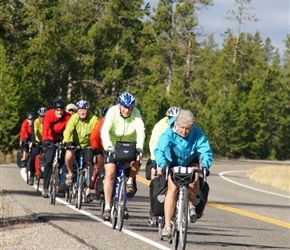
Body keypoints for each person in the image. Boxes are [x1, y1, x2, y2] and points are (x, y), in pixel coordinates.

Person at [154, 109, 213, 238]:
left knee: (195, 176)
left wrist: (206, 165)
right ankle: (168, 226)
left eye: (188, 129)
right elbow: (160, 149)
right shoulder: (169, 132)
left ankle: (191, 205)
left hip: (190, 160)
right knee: (173, 188)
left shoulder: (197, 132)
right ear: (177, 124)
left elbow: (205, 149)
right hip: (173, 161)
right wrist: (163, 165)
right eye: (182, 128)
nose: (184, 132)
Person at [100, 92, 145, 220]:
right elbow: (105, 131)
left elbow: (141, 131)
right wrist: (108, 146)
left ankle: (130, 181)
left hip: (129, 145)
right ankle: (107, 207)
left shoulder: (136, 113)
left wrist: (139, 148)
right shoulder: (112, 112)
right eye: (124, 107)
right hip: (112, 145)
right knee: (110, 174)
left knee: (137, 158)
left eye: (130, 107)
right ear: (119, 105)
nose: (127, 110)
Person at [63, 100, 98, 201]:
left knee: (88, 164)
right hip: (75, 143)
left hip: (88, 144)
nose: (82, 112)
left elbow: (96, 133)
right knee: (69, 154)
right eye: (80, 110)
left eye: (84, 110)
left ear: (88, 110)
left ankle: (86, 188)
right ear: (77, 111)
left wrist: (95, 146)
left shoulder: (93, 119)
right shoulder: (74, 118)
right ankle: (70, 173)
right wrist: (67, 141)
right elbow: (68, 130)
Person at [42, 99, 71, 198]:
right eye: (57, 110)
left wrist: (68, 141)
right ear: (54, 110)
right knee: (49, 161)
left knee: (64, 160)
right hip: (50, 138)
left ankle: (61, 181)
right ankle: (45, 188)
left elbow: (69, 129)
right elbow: (45, 128)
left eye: (61, 110)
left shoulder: (67, 116)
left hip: (61, 138)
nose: (59, 112)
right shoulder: (49, 114)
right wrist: (45, 140)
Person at [148, 106, 181, 179]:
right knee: (156, 170)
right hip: (163, 154)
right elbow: (155, 142)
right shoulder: (160, 125)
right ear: (168, 117)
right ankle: (155, 188)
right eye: (171, 118)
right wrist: (155, 158)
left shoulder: (183, 126)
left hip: (178, 156)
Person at [90, 108, 109, 198]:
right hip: (102, 149)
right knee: (100, 167)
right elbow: (94, 136)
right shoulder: (99, 123)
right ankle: (98, 188)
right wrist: (95, 148)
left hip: (113, 149)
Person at [28, 107, 48, 185]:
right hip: (37, 142)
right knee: (33, 157)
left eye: (44, 116)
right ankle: (32, 176)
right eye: (41, 116)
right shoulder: (36, 122)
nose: (42, 118)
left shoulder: (49, 122)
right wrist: (34, 141)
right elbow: (34, 132)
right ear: (38, 116)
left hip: (46, 142)